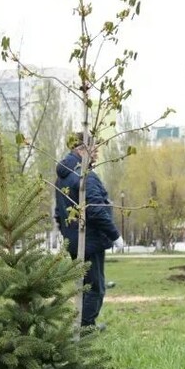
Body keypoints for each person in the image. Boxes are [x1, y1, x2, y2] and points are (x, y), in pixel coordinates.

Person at [54, 132, 121, 330]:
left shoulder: (61, 180)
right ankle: (85, 329)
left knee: (83, 286)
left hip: (74, 242)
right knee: (95, 288)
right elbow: (97, 210)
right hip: (90, 242)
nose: (97, 153)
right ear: (81, 149)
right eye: (94, 149)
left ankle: (82, 325)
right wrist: (115, 235)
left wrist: (68, 236)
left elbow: (58, 214)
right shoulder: (86, 177)